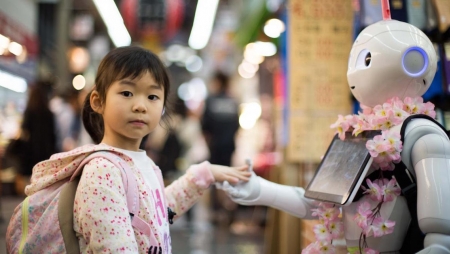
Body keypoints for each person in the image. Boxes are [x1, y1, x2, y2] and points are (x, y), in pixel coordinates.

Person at [20, 46, 251, 253]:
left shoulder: (143, 162)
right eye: (127, 93)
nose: (140, 105)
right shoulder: (102, 171)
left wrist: (205, 174)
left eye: (152, 96)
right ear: (98, 101)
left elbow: (154, 213)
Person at [201, 71, 240, 224]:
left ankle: (216, 211)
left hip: (215, 146)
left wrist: (208, 143)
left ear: (217, 82)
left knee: (215, 178)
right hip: (229, 146)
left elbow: (204, 127)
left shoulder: (211, 100)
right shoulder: (233, 101)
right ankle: (228, 208)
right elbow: (237, 126)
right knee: (228, 177)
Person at [15, 81, 57, 194]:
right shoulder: (49, 113)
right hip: (45, 151)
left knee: (30, 180)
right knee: (43, 180)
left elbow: (24, 131)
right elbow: (53, 135)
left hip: (30, 151)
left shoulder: (29, 111)